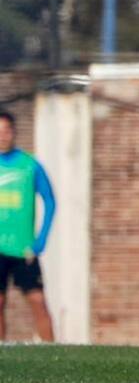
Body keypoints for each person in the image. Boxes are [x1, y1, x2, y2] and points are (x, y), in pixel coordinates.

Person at [0, 110, 56, 342]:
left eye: (6, 130)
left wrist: (40, 241)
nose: (2, 135)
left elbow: (50, 201)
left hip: (24, 249)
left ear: (14, 132)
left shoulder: (29, 165)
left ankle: (56, 354)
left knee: (37, 300)